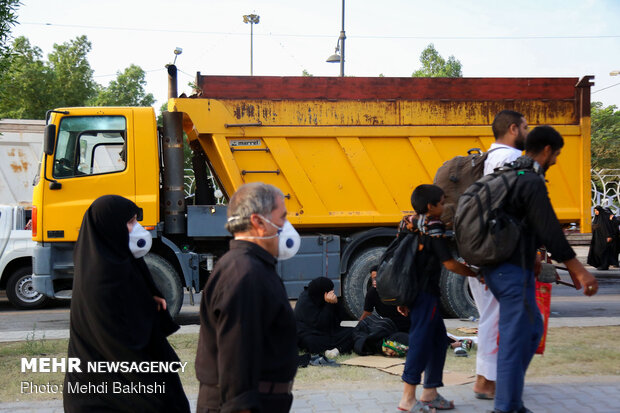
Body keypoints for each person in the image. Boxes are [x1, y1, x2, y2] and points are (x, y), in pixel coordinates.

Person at [481, 126, 599, 413]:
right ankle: (506, 407)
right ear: (547, 150)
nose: (556, 160)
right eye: (556, 154)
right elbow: (549, 228)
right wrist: (578, 269)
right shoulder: (530, 180)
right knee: (516, 338)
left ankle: (511, 401)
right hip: (510, 271)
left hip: (502, 269)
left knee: (531, 329)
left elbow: (525, 224)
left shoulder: (511, 175)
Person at [63, 195, 190, 413]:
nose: (138, 228)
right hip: (107, 393)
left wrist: (146, 300)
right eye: (130, 222)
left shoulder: (117, 263)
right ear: (111, 227)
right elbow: (118, 338)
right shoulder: (101, 277)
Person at [195, 182, 300, 413]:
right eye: (282, 217)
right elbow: (236, 356)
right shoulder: (244, 273)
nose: (286, 225)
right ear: (258, 222)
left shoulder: (249, 266)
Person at [396, 184, 477, 412]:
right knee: (420, 343)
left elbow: (402, 262)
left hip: (412, 292)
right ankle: (408, 398)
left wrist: (404, 298)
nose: (444, 206)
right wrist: (477, 274)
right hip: (426, 295)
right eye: (441, 202)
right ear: (431, 206)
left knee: (438, 340)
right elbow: (449, 263)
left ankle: (430, 393)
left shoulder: (406, 222)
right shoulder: (433, 225)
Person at [469, 110, 529, 399]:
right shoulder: (507, 160)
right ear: (514, 129)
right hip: (495, 249)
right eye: (526, 127)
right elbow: (506, 209)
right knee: (494, 316)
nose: (528, 132)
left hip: (482, 247)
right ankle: (486, 381)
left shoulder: (489, 157)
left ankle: (487, 377)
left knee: (490, 315)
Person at [295, 276, 354, 358]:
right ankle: (340, 348)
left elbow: (341, 318)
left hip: (330, 333)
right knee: (310, 342)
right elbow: (321, 325)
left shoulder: (322, 298)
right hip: (311, 334)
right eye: (330, 291)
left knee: (354, 331)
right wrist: (328, 305)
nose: (332, 293)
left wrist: (336, 303)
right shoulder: (305, 302)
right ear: (322, 292)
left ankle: (336, 350)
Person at [360, 265, 411, 332]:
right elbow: (367, 313)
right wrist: (358, 328)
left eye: (377, 278)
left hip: (409, 325)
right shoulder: (372, 293)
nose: (374, 282)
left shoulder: (401, 288)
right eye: (373, 279)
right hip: (390, 326)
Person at [587, 206, 619, 270]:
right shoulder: (597, 218)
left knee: (603, 252)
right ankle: (600, 264)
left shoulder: (605, 219)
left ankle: (605, 265)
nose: (595, 212)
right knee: (597, 251)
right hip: (597, 238)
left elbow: (606, 228)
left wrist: (609, 236)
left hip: (604, 238)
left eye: (596, 211)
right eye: (595, 211)